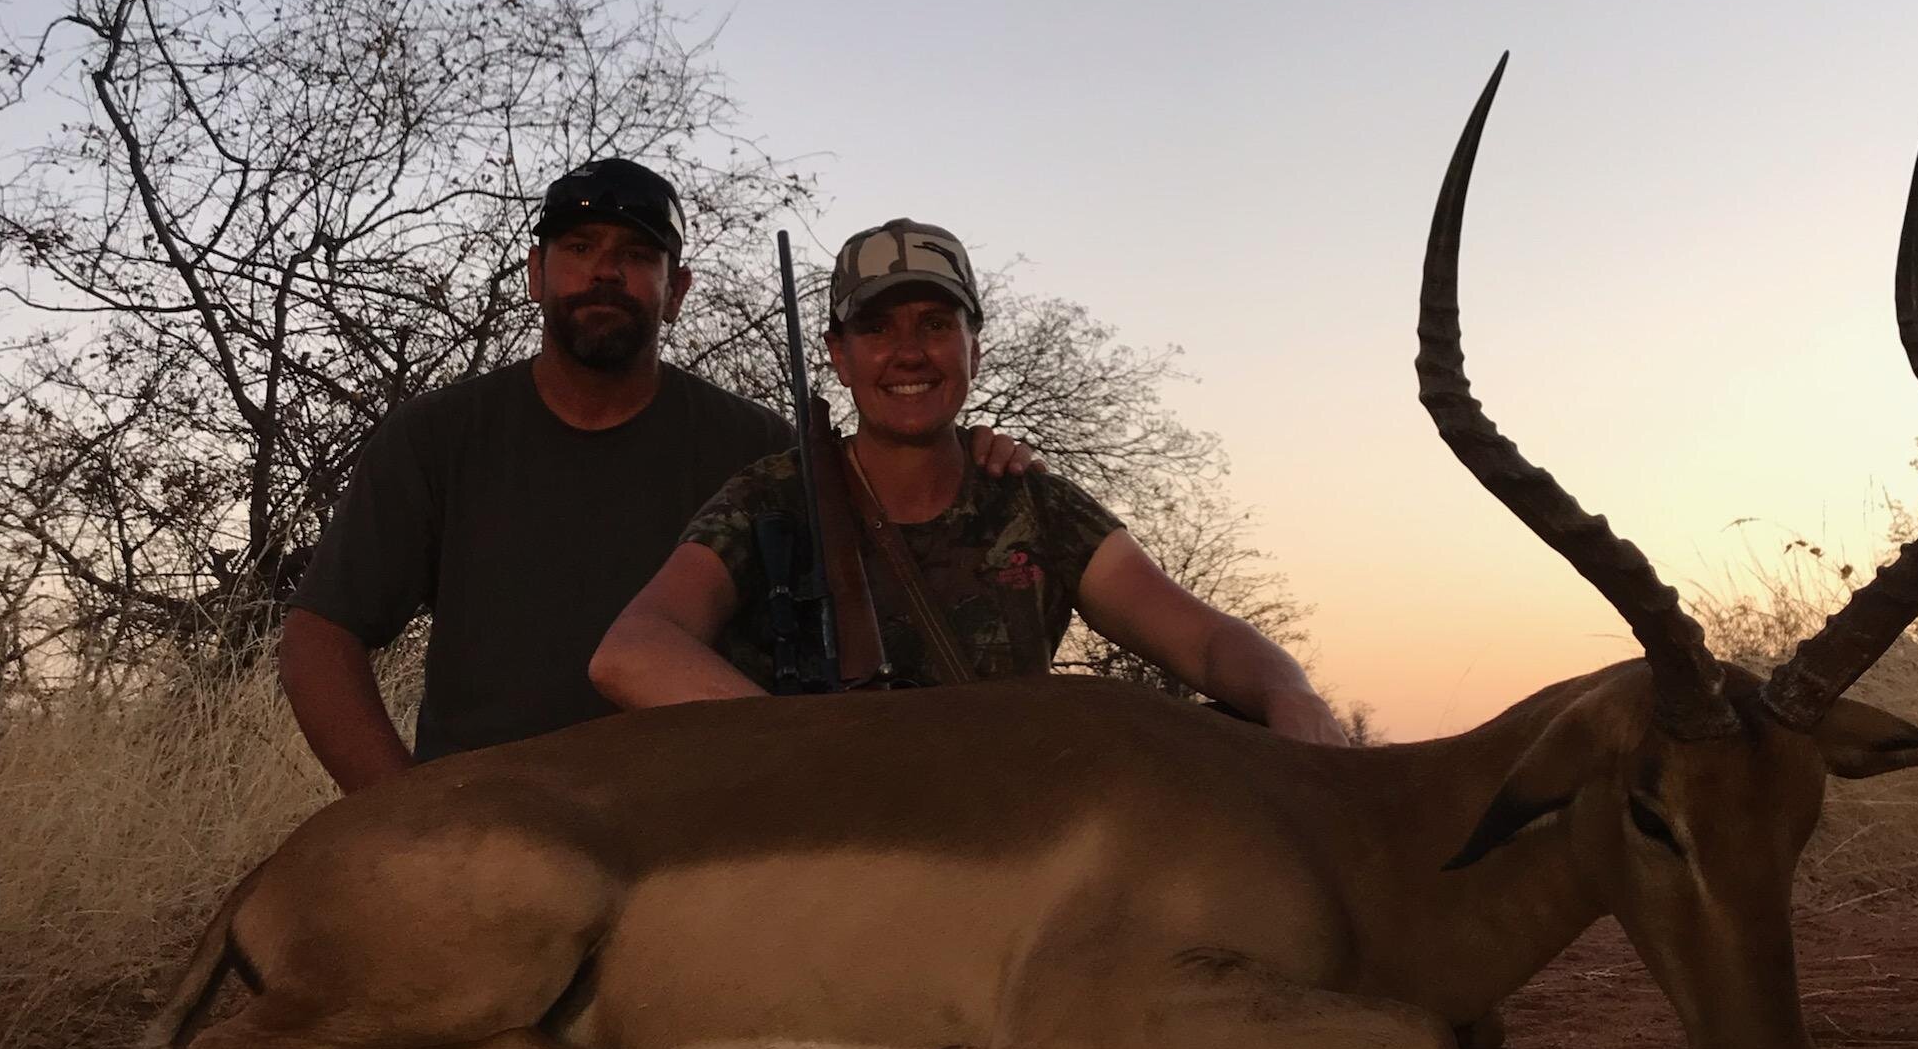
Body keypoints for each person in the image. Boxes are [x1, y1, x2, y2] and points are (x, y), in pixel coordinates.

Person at [282, 165, 1038, 791]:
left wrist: (960, 453)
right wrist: (407, 811)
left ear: (675, 290)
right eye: (579, 246)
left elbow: (881, 545)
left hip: (700, 834)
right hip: (494, 824)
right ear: (536, 275)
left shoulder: (762, 449)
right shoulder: (435, 437)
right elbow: (321, 635)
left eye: (639, 255)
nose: (606, 270)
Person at [591, 218, 1349, 745]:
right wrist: (812, 750)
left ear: (974, 348)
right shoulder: (772, 498)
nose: (909, 353)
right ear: (839, 356)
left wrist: (1290, 693)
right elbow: (632, 650)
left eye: (934, 324)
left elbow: (1207, 640)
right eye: (878, 328)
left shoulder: (1035, 502)